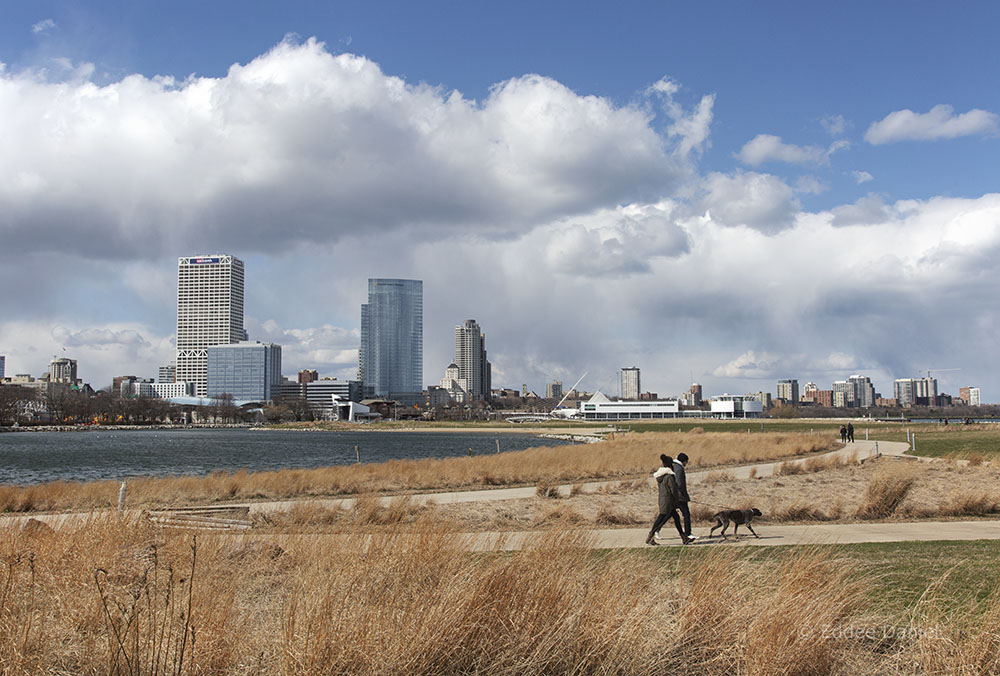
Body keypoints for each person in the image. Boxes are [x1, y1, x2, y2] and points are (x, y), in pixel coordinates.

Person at [646, 454, 690, 546]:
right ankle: (650, 535)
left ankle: (684, 538)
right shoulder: (669, 476)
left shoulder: (660, 475)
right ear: (670, 465)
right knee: (661, 518)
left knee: (675, 518)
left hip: (663, 499)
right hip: (669, 501)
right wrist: (677, 499)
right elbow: (673, 489)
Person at [672, 452, 698, 541]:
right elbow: (679, 484)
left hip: (675, 496)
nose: (686, 464)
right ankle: (688, 533)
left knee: (667, 515)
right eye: (686, 462)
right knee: (686, 514)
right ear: (683, 461)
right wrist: (684, 495)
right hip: (680, 497)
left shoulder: (675, 466)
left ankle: (656, 530)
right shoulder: (679, 469)